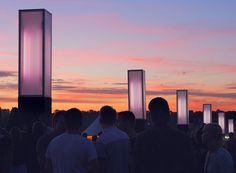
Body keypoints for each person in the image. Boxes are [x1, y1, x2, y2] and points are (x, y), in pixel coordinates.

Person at [134, 97, 193, 173]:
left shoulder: (141, 138)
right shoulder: (183, 138)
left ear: (151, 116)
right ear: (168, 114)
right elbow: (190, 165)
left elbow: (136, 166)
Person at [45, 108, 98, 173]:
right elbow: (95, 168)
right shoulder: (87, 144)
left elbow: (48, 168)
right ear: (81, 123)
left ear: (66, 123)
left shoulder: (53, 143)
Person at [96, 106, 130, 173]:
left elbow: (101, 166)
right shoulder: (125, 136)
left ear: (100, 119)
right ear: (114, 119)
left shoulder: (102, 139)